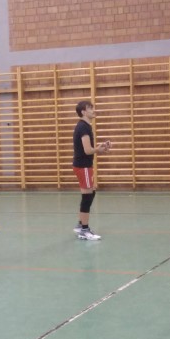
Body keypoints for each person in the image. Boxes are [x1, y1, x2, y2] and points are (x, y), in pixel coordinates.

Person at [72, 101, 111, 240]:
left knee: (90, 193)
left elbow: (89, 149)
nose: (93, 110)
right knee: (87, 197)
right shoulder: (83, 127)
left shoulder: (85, 126)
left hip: (84, 165)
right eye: (90, 108)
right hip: (83, 166)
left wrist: (100, 147)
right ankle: (84, 230)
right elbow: (88, 150)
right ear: (83, 112)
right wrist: (98, 149)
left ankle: (80, 224)